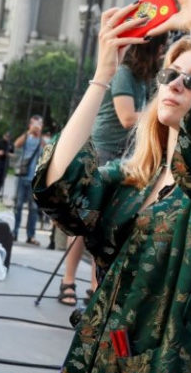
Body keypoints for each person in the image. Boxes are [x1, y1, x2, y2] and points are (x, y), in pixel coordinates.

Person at [34, 0, 191, 373]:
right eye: (171, 73)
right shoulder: (131, 178)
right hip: (96, 364)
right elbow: (57, 186)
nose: (177, 83)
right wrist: (103, 74)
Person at [58, 35, 169, 306]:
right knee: (84, 218)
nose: (164, 51)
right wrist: (163, 114)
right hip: (104, 151)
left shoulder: (144, 79)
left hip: (127, 154)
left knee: (108, 223)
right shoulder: (124, 74)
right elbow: (127, 117)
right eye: (162, 46)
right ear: (152, 48)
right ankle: (68, 280)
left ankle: (96, 286)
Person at [12, 115, 44, 245]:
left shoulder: (42, 141)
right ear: (30, 125)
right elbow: (16, 144)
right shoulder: (26, 138)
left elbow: (49, 151)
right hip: (22, 176)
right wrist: (29, 132)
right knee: (18, 205)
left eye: (39, 124)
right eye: (34, 124)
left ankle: (31, 236)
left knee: (34, 208)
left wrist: (40, 136)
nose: (36, 127)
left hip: (35, 179)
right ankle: (14, 232)